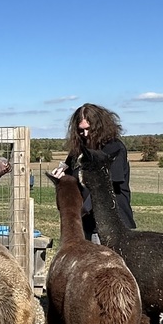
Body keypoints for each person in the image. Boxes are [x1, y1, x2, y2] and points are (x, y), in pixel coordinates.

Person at [51, 103, 136, 243]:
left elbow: (108, 184)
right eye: (81, 130)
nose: (85, 134)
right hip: (86, 224)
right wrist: (61, 178)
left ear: (99, 127)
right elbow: (69, 173)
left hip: (111, 226)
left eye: (89, 129)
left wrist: (83, 209)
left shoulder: (114, 148)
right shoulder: (78, 151)